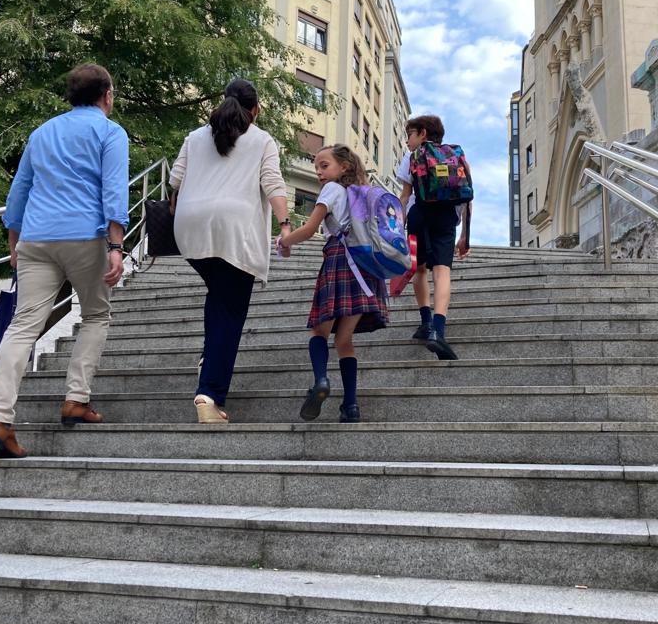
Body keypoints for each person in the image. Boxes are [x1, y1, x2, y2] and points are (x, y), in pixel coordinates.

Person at [0, 63, 129, 459]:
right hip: (85, 236)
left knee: (23, 325)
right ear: (107, 96)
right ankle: (76, 401)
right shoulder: (110, 132)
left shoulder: (42, 132)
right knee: (96, 315)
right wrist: (117, 247)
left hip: (36, 237)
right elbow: (113, 191)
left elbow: (19, 193)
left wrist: (15, 243)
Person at [170, 79, 290, 425]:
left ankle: (210, 359)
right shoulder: (261, 139)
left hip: (192, 229)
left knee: (220, 297)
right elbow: (272, 183)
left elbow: (175, 183)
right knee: (231, 312)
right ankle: (210, 394)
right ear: (255, 109)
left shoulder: (195, 137)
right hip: (235, 231)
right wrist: (284, 225)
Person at [277, 144, 389, 424]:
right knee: (344, 339)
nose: (318, 172)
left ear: (344, 167)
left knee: (319, 329)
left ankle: (321, 381)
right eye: (317, 166)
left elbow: (311, 227)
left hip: (340, 260)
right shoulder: (360, 194)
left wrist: (283, 241)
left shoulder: (332, 191)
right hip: (365, 267)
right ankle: (350, 406)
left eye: (324, 165)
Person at [398, 115, 471, 361]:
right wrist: (465, 236)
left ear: (423, 135)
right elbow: (467, 195)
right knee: (442, 273)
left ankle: (426, 322)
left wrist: (398, 226)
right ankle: (438, 332)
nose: (407, 140)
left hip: (419, 217)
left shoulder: (411, 157)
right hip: (446, 219)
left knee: (419, 270)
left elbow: (405, 196)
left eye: (410, 134)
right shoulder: (456, 155)